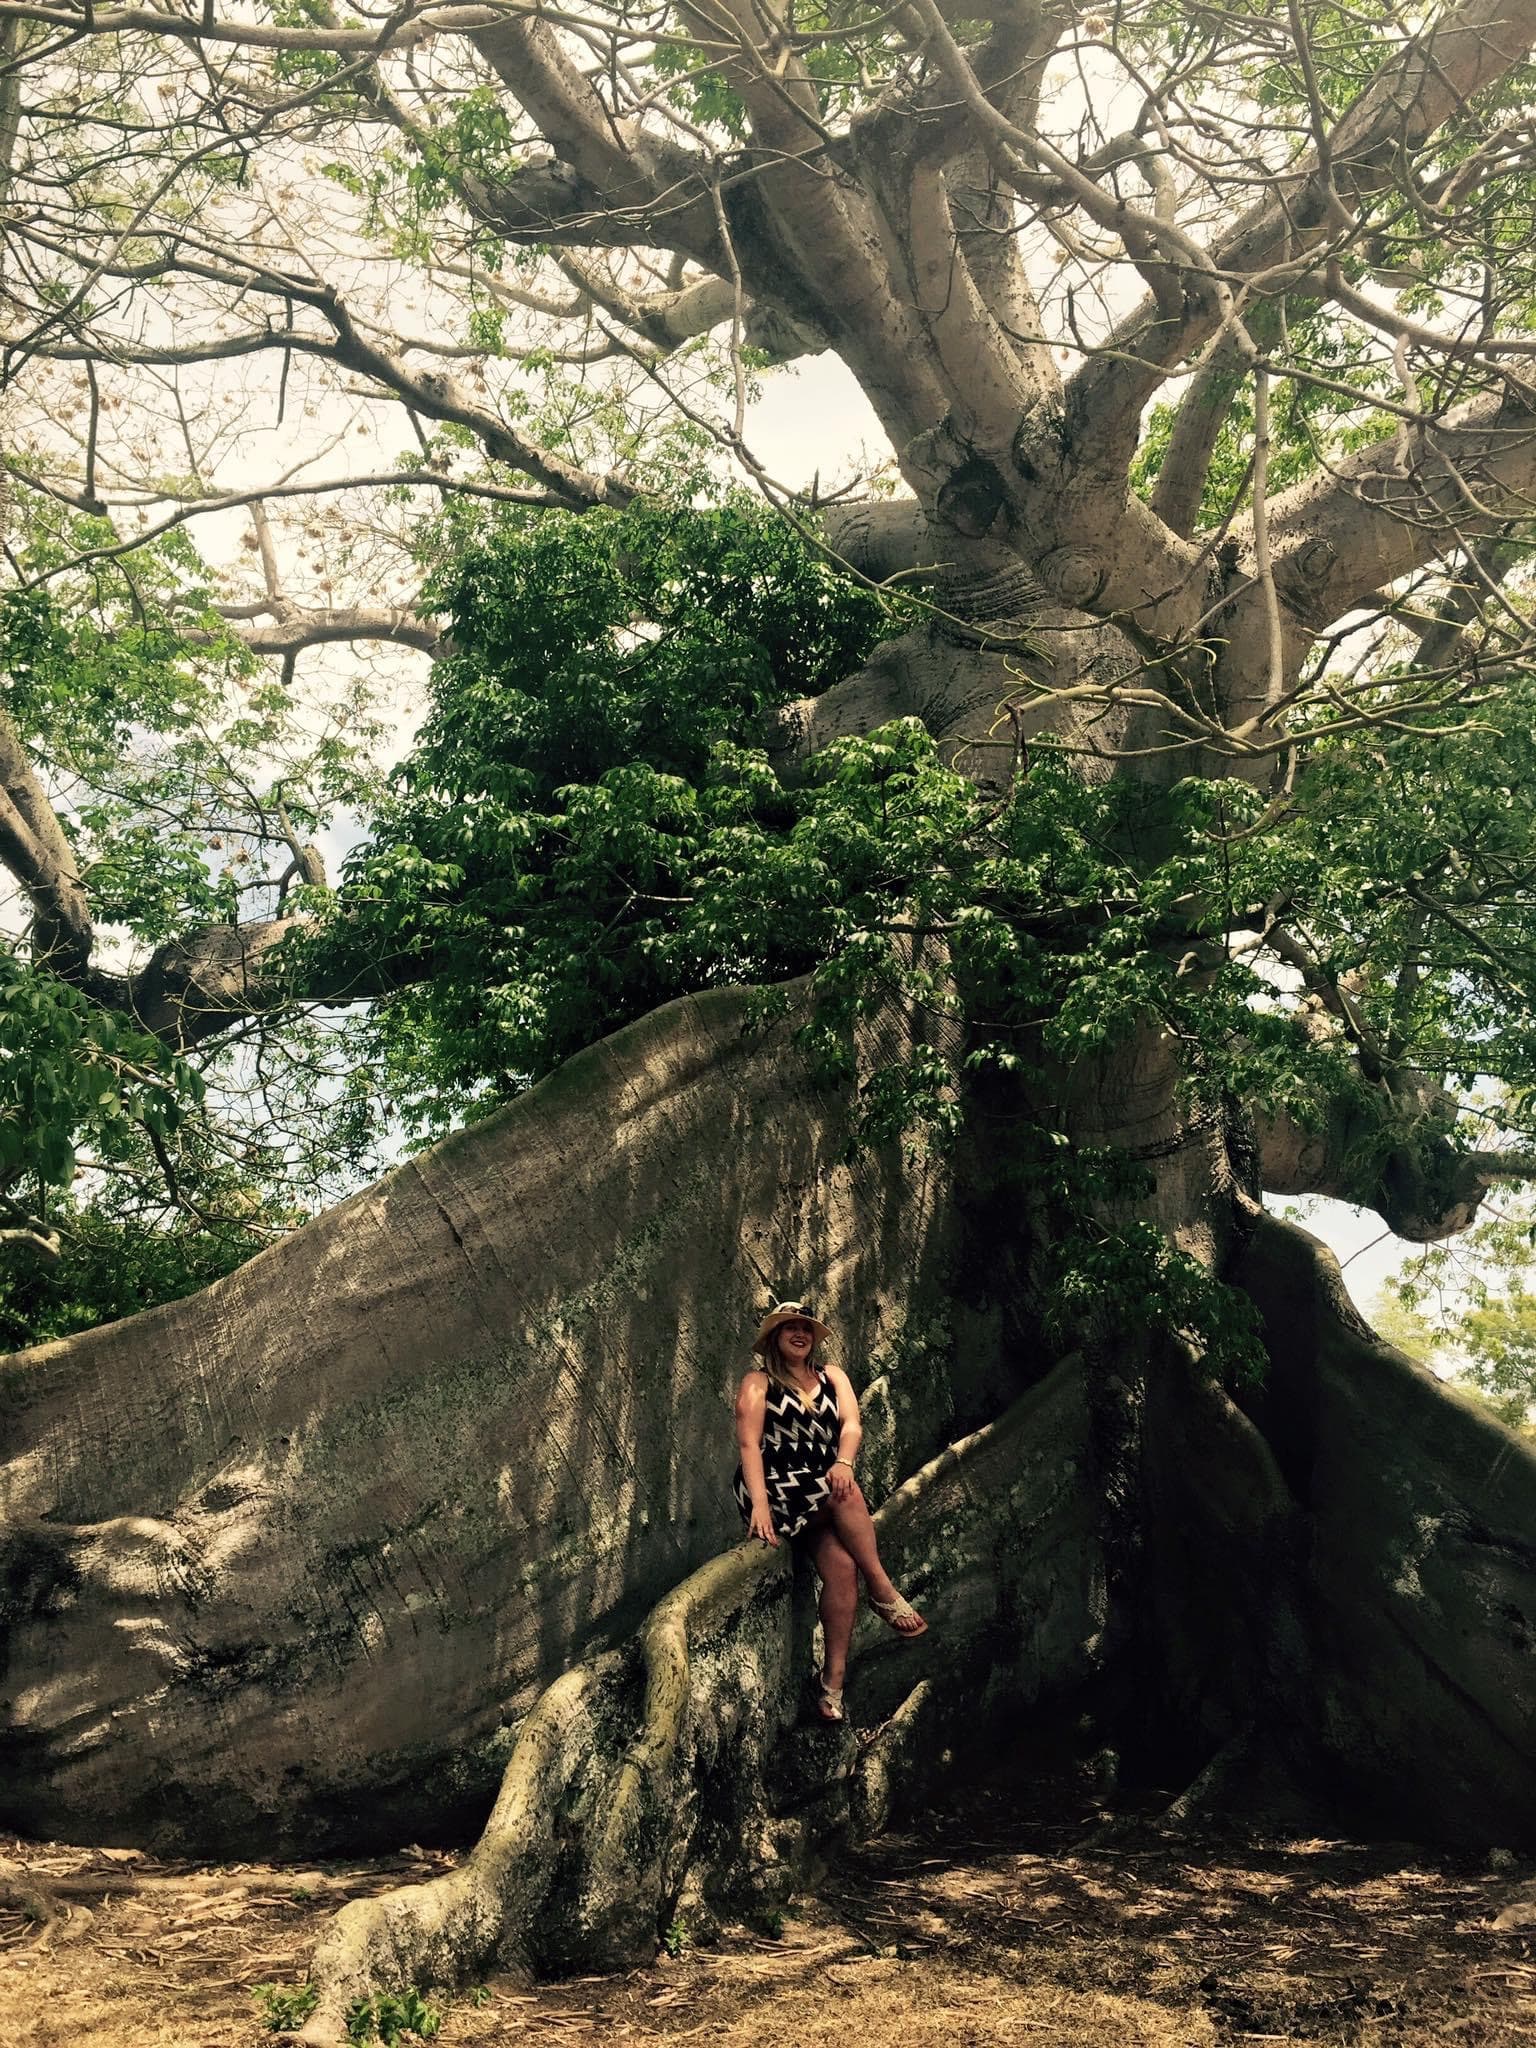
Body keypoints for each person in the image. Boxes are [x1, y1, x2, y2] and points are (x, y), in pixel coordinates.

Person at [733, 1300, 927, 1725]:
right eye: (789, 1328)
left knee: (841, 1568)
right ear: (774, 1339)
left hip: (823, 1488)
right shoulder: (758, 1382)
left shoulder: (832, 1376)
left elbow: (852, 1426)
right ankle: (883, 1589)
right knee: (845, 1492)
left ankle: (832, 1688)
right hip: (775, 1486)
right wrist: (761, 1506)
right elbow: (749, 1444)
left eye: (806, 1327)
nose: (799, 1333)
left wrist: (844, 1460)